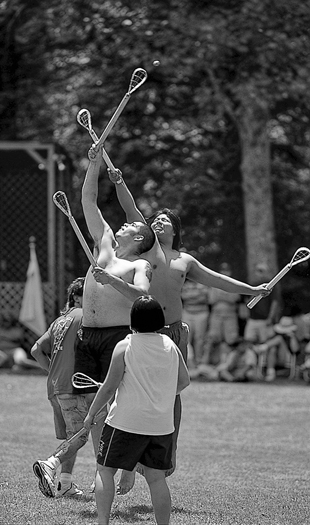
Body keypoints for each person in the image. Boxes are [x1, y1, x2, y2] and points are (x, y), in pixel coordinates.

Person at [108, 167, 270, 492]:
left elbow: (218, 280)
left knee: (173, 395)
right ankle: (128, 465)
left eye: (164, 221)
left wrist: (252, 290)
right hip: (143, 331)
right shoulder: (148, 249)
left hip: (174, 334)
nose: (157, 222)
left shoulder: (186, 260)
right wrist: (120, 182)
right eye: (155, 220)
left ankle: (164, 457)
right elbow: (131, 211)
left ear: (175, 230)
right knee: (131, 391)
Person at [32, 143, 155, 498]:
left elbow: (143, 299)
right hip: (87, 337)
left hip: (117, 337)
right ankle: (101, 468)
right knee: (92, 411)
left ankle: (123, 465)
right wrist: (94, 162)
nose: (125, 223)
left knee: (112, 409)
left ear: (139, 239)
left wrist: (112, 280)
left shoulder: (137, 265)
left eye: (131, 225)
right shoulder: (104, 245)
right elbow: (88, 200)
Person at [83, 295, 190, 525]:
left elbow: (109, 387)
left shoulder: (126, 345)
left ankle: (103, 522)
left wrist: (91, 414)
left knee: (105, 470)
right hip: (161, 426)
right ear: (160, 321)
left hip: (125, 422)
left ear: (132, 322)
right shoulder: (170, 345)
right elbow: (183, 382)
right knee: (156, 478)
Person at [31, 277, 98, 498]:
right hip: (72, 385)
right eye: (90, 294)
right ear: (78, 297)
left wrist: (53, 370)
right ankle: (50, 464)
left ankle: (65, 484)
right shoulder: (83, 316)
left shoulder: (59, 321)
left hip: (55, 386)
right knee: (80, 434)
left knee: (72, 436)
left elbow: (35, 350)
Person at [200, 262, 241, 367]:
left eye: (227, 270)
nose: (225, 272)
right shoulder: (214, 283)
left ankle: (227, 364)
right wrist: (226, 295)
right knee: (213, 338)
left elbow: (235, 298)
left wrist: (221, 296)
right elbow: (212, 299)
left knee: (230, 339)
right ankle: (206, 363)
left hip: (230, 315)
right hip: (216, 315)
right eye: (223, 270)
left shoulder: (234, 283)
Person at [181, 279, 210, 370]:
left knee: (200, 338)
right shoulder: (185, 284)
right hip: (187, 312)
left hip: (201, 313)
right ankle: (188, 362)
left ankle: (198, 362)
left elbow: (205, 298)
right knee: (186, 337)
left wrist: (191, 296)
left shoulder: (203, 283)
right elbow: (183, 296)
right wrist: (197, 295)